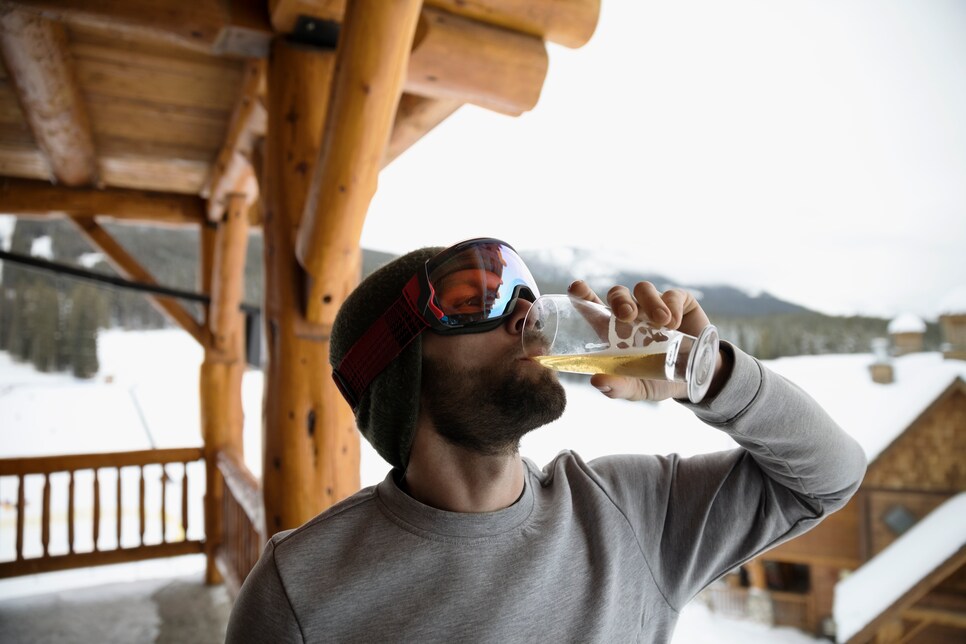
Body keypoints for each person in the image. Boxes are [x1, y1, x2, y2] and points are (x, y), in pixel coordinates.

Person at [226, 237, 866, 643]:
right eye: (476, 293)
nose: (525, 319)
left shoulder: (629, 511)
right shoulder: (300, 588)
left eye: (524, 296)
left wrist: (712, 375)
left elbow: (830, 476)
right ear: (396, 367)